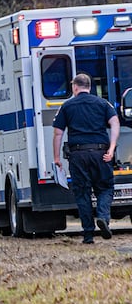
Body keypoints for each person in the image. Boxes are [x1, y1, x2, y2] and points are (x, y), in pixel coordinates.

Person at [53, 72, 120, 244]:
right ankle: (103, 217)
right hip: (101, 153)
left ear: (75, 87)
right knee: (105, 188)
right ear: (90, 87)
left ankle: (88, 235)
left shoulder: (66, 106)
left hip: (78, 155)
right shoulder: (103, 103)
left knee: (82, 193)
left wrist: (56, 158)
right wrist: (111, 149)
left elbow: (58, 134)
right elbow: (115, 124)